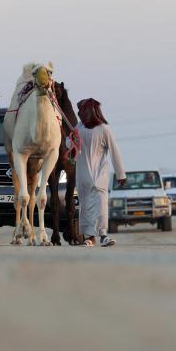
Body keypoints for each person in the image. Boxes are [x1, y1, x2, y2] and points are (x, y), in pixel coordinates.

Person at [74, 98, 126, 247]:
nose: (80, 114)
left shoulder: (104, 129)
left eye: (82, 110)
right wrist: (72, 138)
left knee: (101, 206)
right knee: (85, 207)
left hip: (100, 176)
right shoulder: (78, 128)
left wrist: (121, 174)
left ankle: (103, 236)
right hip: (83, 177)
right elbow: (68, 143)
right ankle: (89, 238)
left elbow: (114, 151)